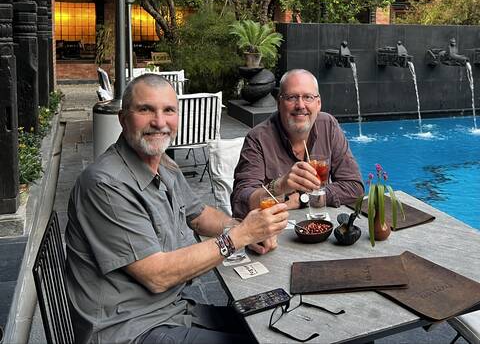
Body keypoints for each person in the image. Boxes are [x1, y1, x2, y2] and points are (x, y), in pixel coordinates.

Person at [65, 74, 288, 344]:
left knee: (272, 324)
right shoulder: (104, 185)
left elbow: (200, 214)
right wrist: (238, 237)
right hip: (129, 330)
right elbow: (157, 275)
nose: (159, 122)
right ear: (123, 119)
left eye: (168, 110)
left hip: (172, 311)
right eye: (145, 109)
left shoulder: (164, 166)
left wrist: (242, 228)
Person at [232, 69, 364, 223]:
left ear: (318, 103)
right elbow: (240, 202)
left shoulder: (328, 126)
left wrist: (303, 199)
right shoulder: (258, 138)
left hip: (320, 231)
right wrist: (280, 186)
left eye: (308, 97)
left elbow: (354, 187)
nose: (300, 105)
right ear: (279, 103)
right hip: (275, 234)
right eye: (292, 97)